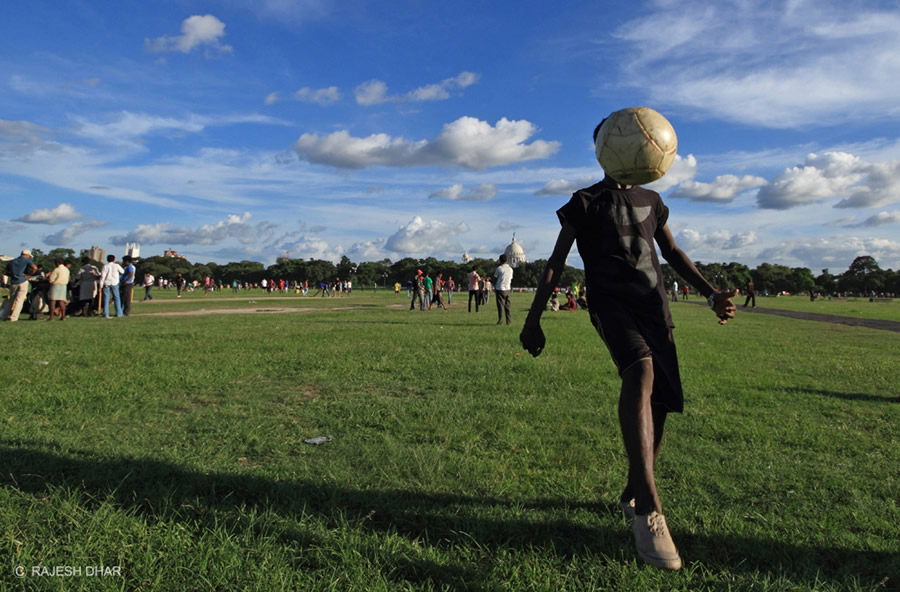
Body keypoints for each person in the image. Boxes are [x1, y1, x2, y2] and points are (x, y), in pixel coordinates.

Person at [520, 119, 737, 572]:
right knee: (640, 371)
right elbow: (555, 263)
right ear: (605, 147)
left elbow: (672, 253)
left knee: (659, 401)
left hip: (654, 305)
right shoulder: (585, 202)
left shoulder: (652, 200)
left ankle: (632, 490)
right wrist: (534, 317)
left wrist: (712, 292)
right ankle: (649, 509)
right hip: (610, 304)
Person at [5, 249, 37, 322]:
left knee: (11, 300)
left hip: (13, 281)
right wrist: (29, 275)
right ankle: (14, 317)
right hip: (22, 280)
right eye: (29, 256)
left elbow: (6, 272)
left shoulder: (12, 261)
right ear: (26, 255)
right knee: (20, 300)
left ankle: (3, 316)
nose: (29, 257)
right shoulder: (26, 260)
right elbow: (34, 268)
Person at [493, 254, 513, 324]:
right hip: (508, 288)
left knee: (500, 306)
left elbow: (495, 278)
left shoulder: (499, 268)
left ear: (500, 260)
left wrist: (495, 286)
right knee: (508, 306)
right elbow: (510, 279)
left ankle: (501, 321)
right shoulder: (510, 269)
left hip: (500, 288)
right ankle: (509, 321)